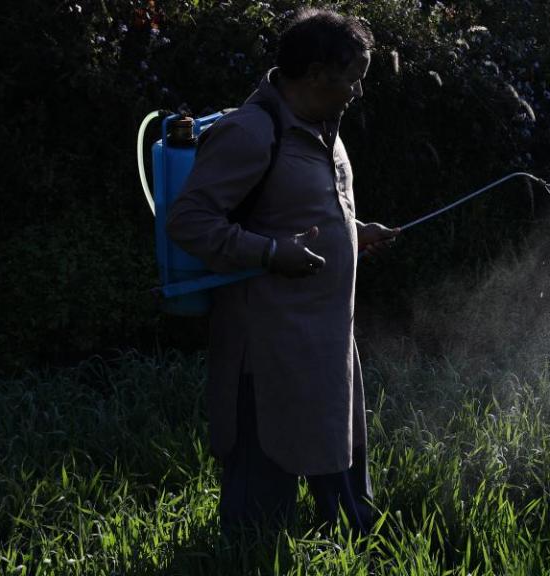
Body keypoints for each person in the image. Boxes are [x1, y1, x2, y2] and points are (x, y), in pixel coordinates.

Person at [166, 8, 398, 537]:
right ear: (316, 74)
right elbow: (190, 222)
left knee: (337, 443)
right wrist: (271, 253)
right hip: (267, 342)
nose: (358, 91)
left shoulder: (323, 126)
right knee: (262, 473)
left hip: (327, 334)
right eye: (354, 77)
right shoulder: (251, 131)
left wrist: (353, 231)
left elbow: (300, 208)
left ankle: (348, 538)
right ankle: (250, 552)